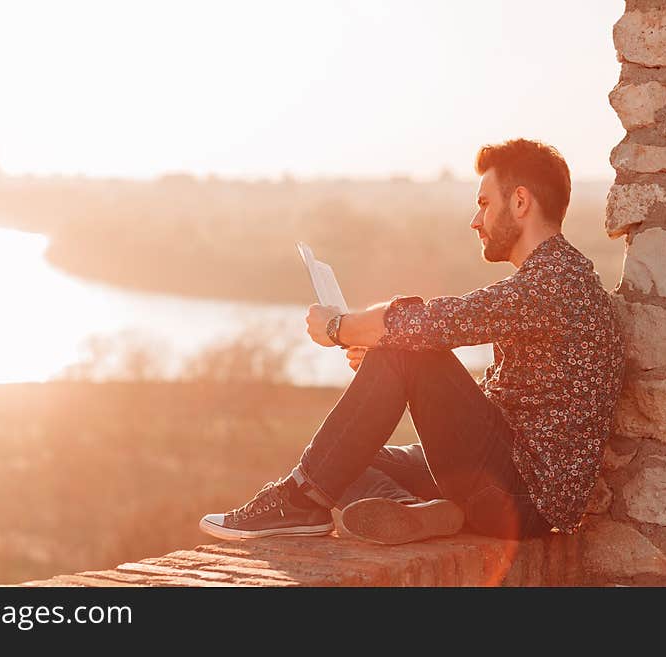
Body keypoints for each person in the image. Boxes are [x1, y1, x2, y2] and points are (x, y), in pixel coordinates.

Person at [199, 138, 625, 545]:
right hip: (508, 485)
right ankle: (420, 513)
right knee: (349, 461)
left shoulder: (554, 283)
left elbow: (436, 322)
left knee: (408, 346)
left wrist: (339, 328)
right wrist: (382, 357)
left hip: (521, 499)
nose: (475, 221)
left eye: (483, 204)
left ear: (519, 201)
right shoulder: (564, 278)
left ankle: (298, 501)